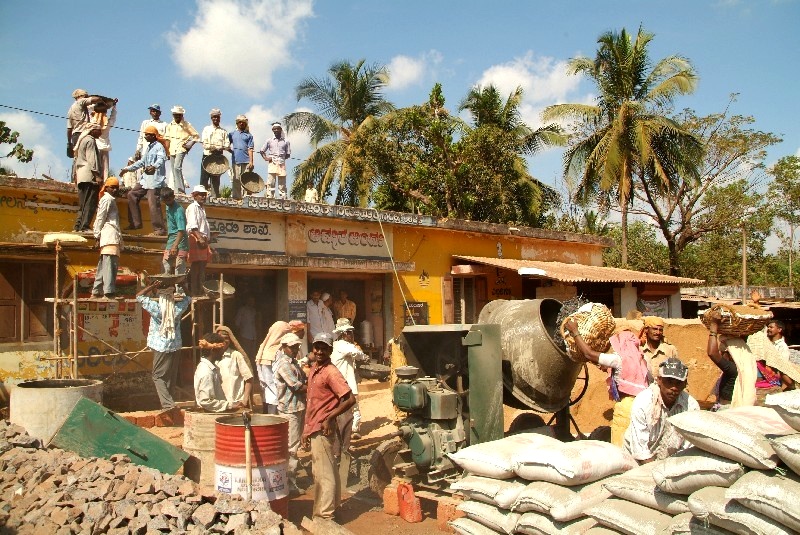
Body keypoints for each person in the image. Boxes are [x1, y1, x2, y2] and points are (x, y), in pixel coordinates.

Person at [565, 318, 651, 446]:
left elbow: (589, 354)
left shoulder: (618, 359)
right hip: (645, 407)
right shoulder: (642, 361)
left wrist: (575, 331)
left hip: (627, 407)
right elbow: (621, 374)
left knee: (622, 446)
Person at [302, 332, 355, 524]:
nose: (319, 351)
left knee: (323, 474)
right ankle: (333, 509)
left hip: (323, 427)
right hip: (314, 426)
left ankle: (325, 516)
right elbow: (312, 403)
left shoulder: (331, 372)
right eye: (317, 347)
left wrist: (330, 417)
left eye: (324, 348)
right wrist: (305, 430)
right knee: (327, 470)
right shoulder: (316, 369)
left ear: (330, 351)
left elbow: (349, 399)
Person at [623, 357, 700, 463]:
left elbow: (687, 447)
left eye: (678, 383)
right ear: (659, 380)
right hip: (637, 461)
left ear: (684, 384)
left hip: (668, 463)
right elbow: (640, 450)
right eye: (669, 381)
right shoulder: (644, 402)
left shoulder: (691, 406)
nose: (674, 387)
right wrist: (654, 473)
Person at [137, 279, 192, 413]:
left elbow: (139, 296)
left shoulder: (156, 308)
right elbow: (189, 298)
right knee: (170, 376)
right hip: (175, 345)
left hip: (161, 347)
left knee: (157, 376)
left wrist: (151, 287)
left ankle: (168, 405)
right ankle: (169, 403)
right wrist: (184, 284)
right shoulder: (176, 309)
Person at [331, 318, 370, 475]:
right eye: (351, 333)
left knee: (344, 417)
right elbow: (358, 354)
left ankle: (340, 450)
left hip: (339, 386)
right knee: (347, 418)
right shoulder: (344, 345)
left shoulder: (336, 345)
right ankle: (343, 452)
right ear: (345, 334)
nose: (352, 335)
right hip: (345, 386)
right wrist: (364, 356)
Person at [272, 332, 307, 495]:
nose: (295, 349)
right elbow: (296, 386)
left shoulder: (293, 362)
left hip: (297, 407)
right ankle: (289, 484)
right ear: (284, 348)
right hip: (289, 409)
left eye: (296, 347)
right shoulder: (283, 364)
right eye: (292, 347)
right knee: (291, 448)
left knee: (294, 445)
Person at [120, 125, 168, 235]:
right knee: (132, 194)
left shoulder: (159, 147)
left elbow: (161, 159)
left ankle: (159, 230)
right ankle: (135, 223)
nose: (145, 136)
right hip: (145, 180)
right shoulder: (149, 147)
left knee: (153, 205)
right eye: (145, 134)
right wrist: (127, 169)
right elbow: (142, 162)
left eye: (147, 134)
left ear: (153, 136)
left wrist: (154, 166)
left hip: (154, 181)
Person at [706, 318, 756, 408]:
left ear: (732, 354)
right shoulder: (744, 367)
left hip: (727, 409)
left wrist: (713, 326)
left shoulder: (733, 369)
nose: (721, 354)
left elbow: (712, 353)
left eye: (724, 352)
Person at [195, 332, 244, 413]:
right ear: (213, 350)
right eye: (221, 349)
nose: (223, 352)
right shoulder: (207, 372)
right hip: (211, 416)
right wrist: (230, 405)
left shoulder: (208, 367)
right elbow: (206, 401)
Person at [91, 176, 121, 298]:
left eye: (116, 188)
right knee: (110, 265)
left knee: (103, 265)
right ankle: (109, 292)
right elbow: (100, 217)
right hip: (109, 236)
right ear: (106, 187)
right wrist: (96, 234)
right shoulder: (107, 199)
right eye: (112, 187)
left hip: (109, 236)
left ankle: (96, 291)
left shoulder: (109, 199)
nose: (115, 190)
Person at [254, 320, 293, 414]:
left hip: (267, 397)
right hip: (277, 399)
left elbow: (262, 378)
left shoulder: (263, 349)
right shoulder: (278, 351)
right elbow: (278, 378)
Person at [73, 124, 103, 232]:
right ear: (92, 130)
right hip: (89, 176)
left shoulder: (82, 141)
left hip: (81, 176)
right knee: (90, 202)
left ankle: (77, 227)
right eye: (99, 130)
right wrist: (97, 176)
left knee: (83, 204)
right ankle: (85, 226)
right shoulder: (90, 141)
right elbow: (92, 159)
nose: (101, 133)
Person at [216, 325, 254, 408]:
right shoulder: (213, 357)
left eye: (226, 338)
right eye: (220, 338)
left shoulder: (236, 355)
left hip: (236, 403)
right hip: (219, 404)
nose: (224, 341)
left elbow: (249, 378)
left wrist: (244, 400)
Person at [164, 105, 199, 193]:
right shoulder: (169, 125)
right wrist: (166, 151)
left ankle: (181, 189)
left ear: (182, 115)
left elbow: (196, 136)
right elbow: (167, 139)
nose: (178, 116)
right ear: (173, 115)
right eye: (176, 115)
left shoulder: (186, 124)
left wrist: (190, 145)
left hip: (181, 148)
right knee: (173, 169)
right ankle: (176, 190)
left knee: (177, 167)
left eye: (179, 115)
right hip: (172, 149)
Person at [185, 185, 211, 296]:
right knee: (196, 266)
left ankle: (200, 289)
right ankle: (194, 291)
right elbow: (193, 226)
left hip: (203, 238)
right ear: (195, 196)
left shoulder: (202, 208)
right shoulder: (193, 207)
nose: (203, 197)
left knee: (202, 266)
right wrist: (200, 238)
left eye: (204, 194)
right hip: (196, 237)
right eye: (201, 195)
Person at [66, 89, 103, 166]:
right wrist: (94, 98)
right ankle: (93, 175)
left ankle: (75, 176)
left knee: (78, 158)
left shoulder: (70, 110)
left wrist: (69, 143)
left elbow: (69, 129)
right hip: (84, 134)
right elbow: (97, 99)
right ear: (82, 96)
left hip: (75, 136)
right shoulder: (81, 101)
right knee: (89, 157)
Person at [160, 188, 188, 286]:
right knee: (166, 263)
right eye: (165, 201)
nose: (167, 202)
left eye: (169, 200)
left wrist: (175, 246)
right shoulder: (168, 206)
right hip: (171, 239)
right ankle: (165, 287)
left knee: (179, 266)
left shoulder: (179, 210)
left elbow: (181, 230)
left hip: (180, 241)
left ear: (173, 197)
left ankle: (180, 292)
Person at [200, 108, 230, 197]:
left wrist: (221, 148)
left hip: (218, 158)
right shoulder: (206, 129)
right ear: (211, 118)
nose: (216, 119)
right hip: (207, 156)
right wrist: (212, 147)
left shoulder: (223, 131)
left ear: (220, 118)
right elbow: (204, 143)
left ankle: (215, 198)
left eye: (217, 117)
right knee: (204, 179)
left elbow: (227, 144)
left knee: (216, 180)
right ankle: (202, 197)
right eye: (214, 117)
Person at [258, 122, 291, 199]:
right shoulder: (269, 140)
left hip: (281, 162)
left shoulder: (286, 141)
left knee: (282, 181)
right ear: (273, 130)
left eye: (277, 129)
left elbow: (288, 154)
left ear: (280, 130)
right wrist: (266, 158)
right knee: (271, 180)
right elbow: (262, 150)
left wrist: (282, 158)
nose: (276, 130)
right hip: (272, 162)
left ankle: (283, 197)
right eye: (274, 129)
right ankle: (270, 196)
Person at [89, 99, 117, 181]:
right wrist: (114, 106)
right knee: (105, 170)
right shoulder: (107, 124)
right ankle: (103, 184)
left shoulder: (93, 122)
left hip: (96, 148)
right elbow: (113, 117)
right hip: (104, 148)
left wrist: (94, 104)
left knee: (96, 168)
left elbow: (89, 110)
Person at [228, 115, 254, 200]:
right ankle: (236, 198)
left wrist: (251, 162)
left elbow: (250, 149)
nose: (241, 123)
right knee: (236, 179)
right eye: (240, 122)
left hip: (246, 161)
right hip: (235, 160)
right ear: (237, 123)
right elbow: (226, 144)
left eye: (243, 122)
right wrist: (230, 150)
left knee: (246, 180)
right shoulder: (232, 134)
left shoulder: (249, 136)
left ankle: (247, 198)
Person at [235, 296, 259, 360]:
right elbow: (237, 323)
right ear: (247, 301)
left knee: (252, 355)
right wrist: (239, 334)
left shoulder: (254, 311)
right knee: (245, 354)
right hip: (245, 335)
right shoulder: (242, 310)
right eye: (250, 300)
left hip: (253, 336)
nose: (252, 302)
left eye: (253, 301)